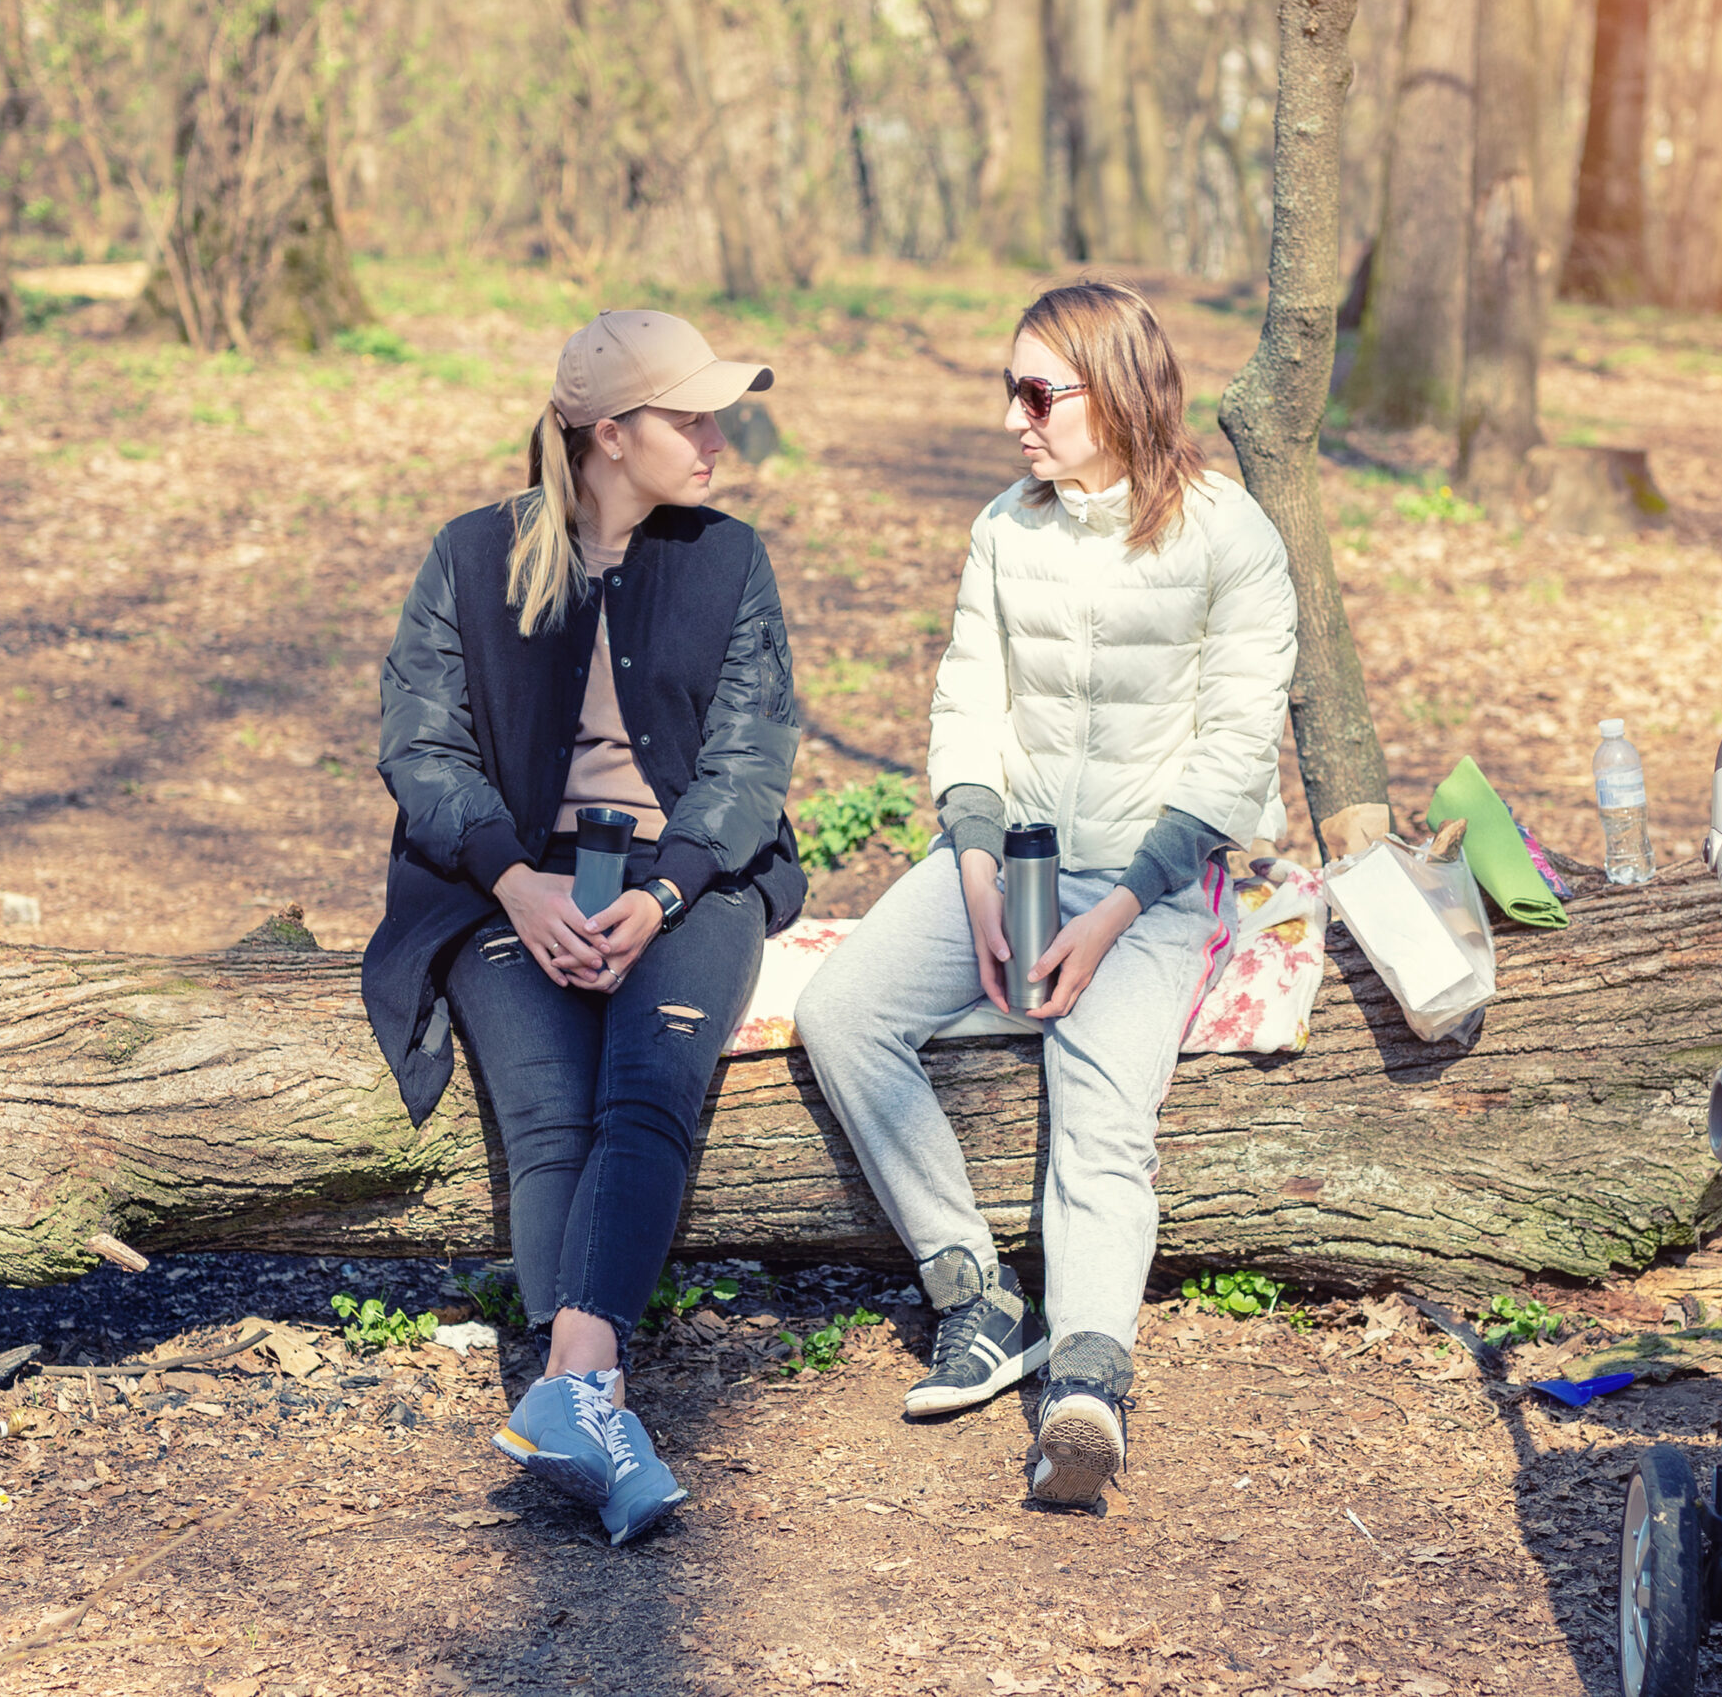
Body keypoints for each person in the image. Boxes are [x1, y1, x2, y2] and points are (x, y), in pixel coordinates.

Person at [794, 281, 1296, 1506]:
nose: (1013, 419)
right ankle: (972, 1290)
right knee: (841, 1012)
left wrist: (1118, 909)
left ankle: (1087, 1381)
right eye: (1006, 391)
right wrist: (971, 875)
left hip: (1153, 878)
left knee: (1098, 1090)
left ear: (1116, 393)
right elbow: (966, 712)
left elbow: (1234, 755)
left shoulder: (1231, 537)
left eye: (1037, 393)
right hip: (1006, 857)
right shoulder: (1004, 530)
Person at [360, 310, 805, 1545]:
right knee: (548, 1108)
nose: (719, 437)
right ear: (611, 435)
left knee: (651, 1083)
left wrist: (661, 892)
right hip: (506, 885)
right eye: (691, 416)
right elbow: (423, 746)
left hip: (691, 881)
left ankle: (576, 1384)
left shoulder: (729, 561)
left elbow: (749, 758)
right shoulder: (471, 557)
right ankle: (588, 1399)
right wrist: (514, 881)